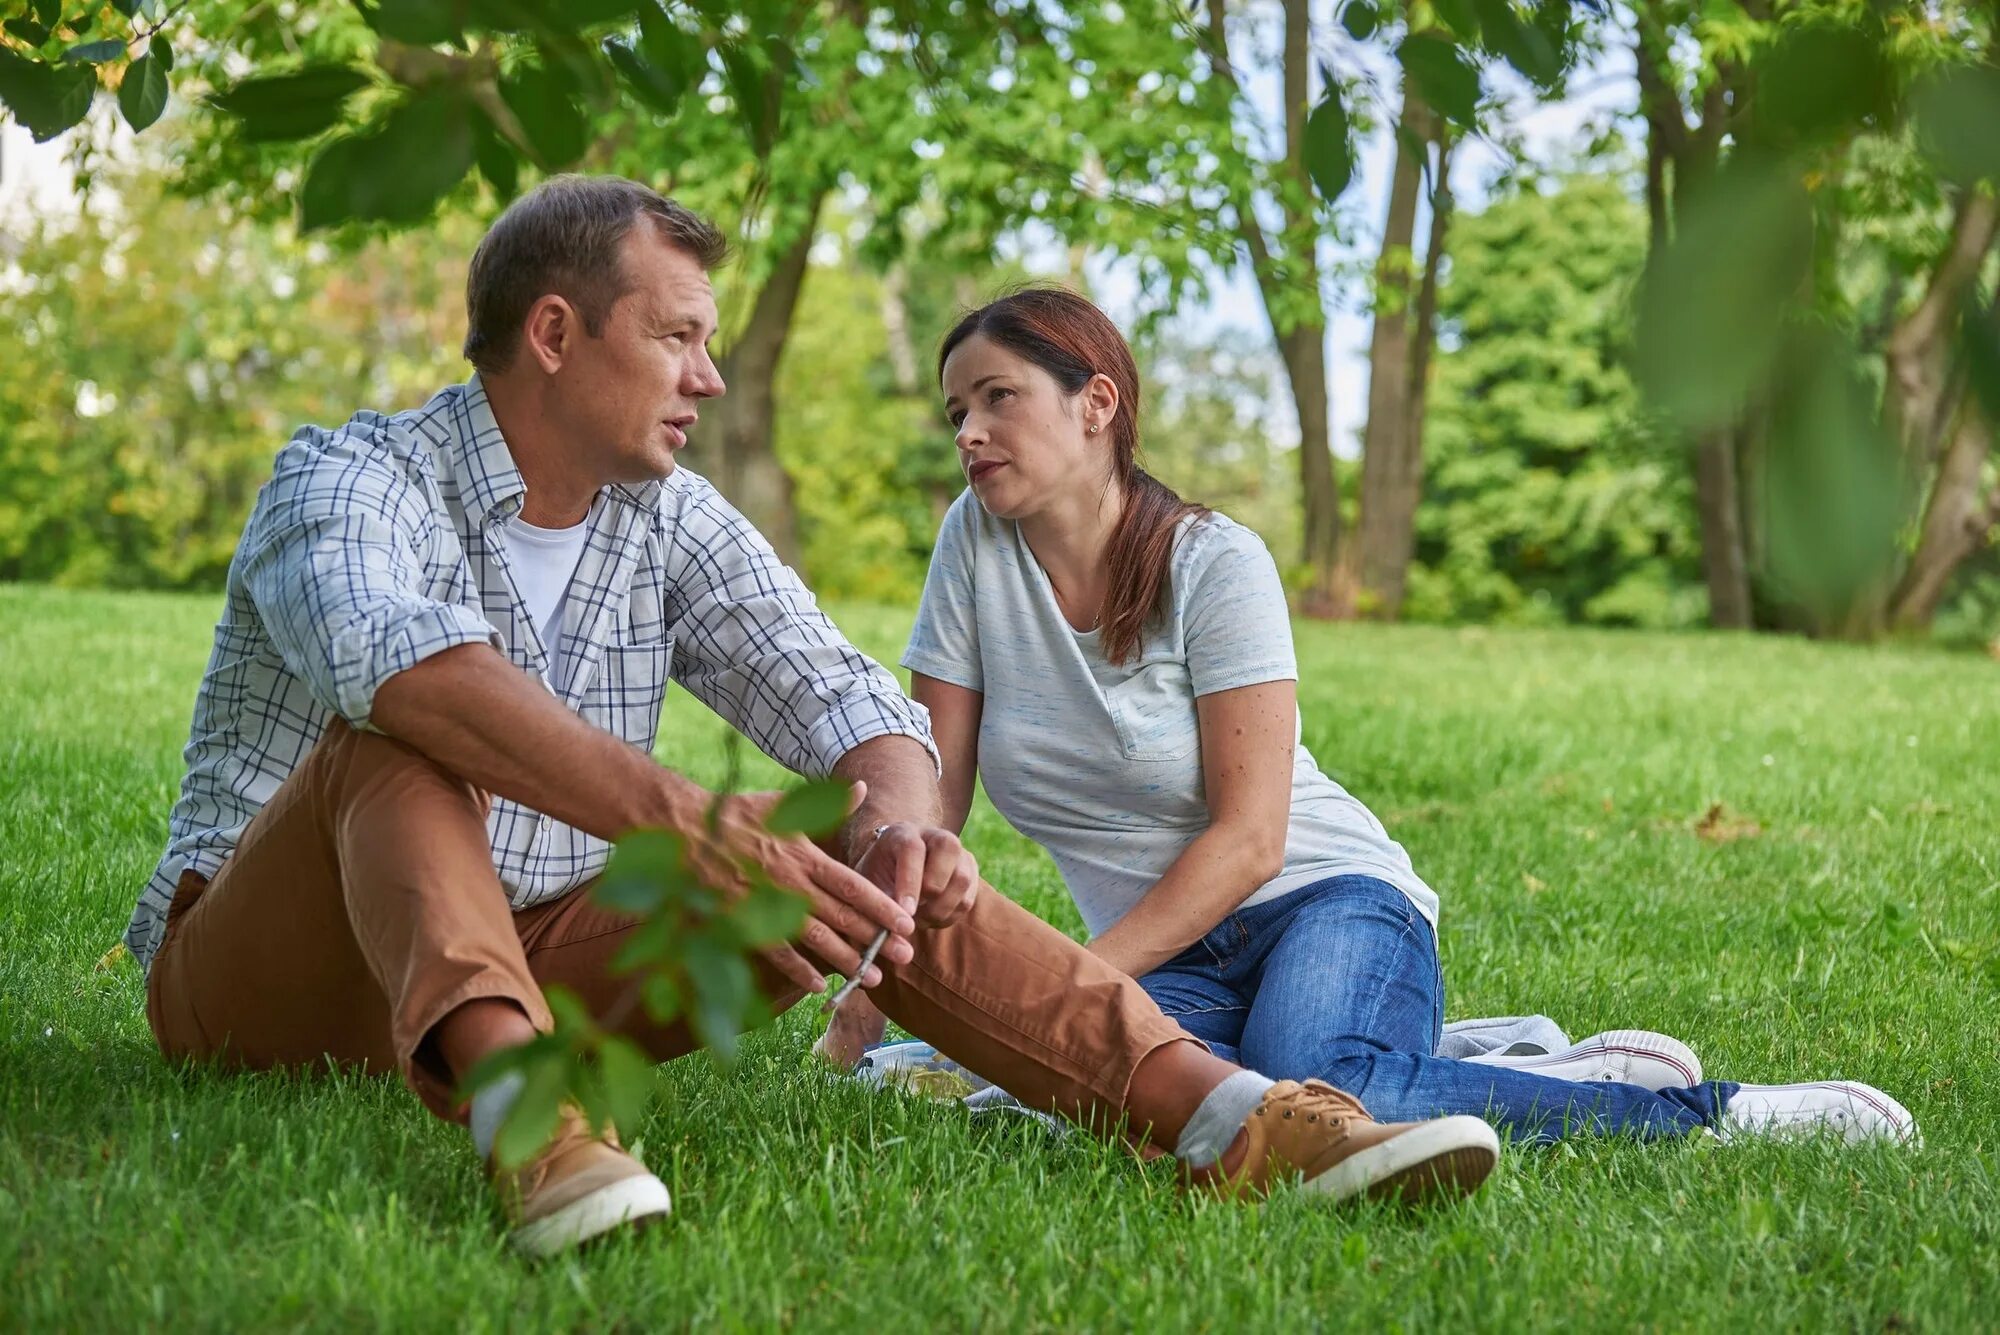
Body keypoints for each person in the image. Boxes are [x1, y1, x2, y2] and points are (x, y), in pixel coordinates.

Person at [129, 177, 1505, 1259]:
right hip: (269, 978)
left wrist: (900, 824)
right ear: (556, 334)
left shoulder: (661, 513)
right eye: (676, 335)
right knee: (400, 737)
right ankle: (536, 1126)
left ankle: (1233, 1117)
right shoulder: (348, 479)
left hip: (545, 947)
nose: (706, 378)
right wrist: (684, 816)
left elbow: (852, 697)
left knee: (843, 850)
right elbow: (412, 671)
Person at [819, 286, 1917, 1151]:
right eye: (956, 409)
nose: (968, 430)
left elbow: (1250, 841)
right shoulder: (973, 544)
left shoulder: (1214, 563)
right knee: (1118, 1101)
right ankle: (1528, 1067)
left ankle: (1713, 1114)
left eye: (997, 396)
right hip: (1177, 947)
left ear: (1095, 403)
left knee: (1323, 1098)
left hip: (1320, 899)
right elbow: (937, 794)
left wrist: (1077, 980)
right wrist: (888, 969)